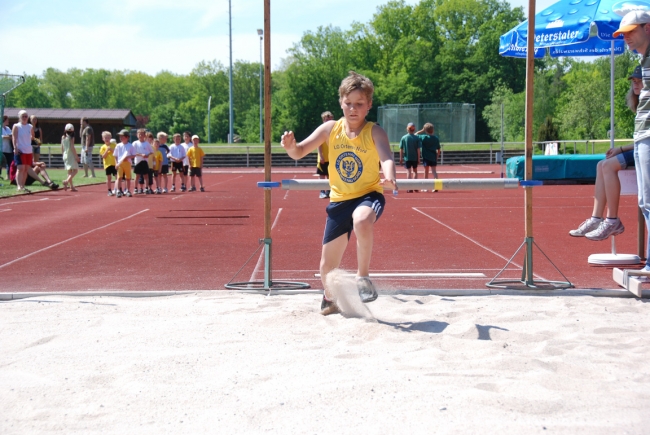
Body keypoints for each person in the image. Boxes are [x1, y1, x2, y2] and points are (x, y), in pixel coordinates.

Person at [281, 71, 397, 315]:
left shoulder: (375, 131)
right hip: (339, 202)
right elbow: (300, 151)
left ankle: (362, 277)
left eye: (359, 104)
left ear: (369, 106)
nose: (353, 109)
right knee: (326, 267)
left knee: (362, 220)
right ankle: (329, 298)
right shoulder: (330, 129)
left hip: (368, 195)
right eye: (348, 103)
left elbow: (386, 156)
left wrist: (389, 176)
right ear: (340, 103)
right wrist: (291, 147)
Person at [570, 66, 642, 240]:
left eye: (639, 80)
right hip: (641, 147)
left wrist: (622, 148)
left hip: (645, 151)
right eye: (633, 81)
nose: (635, 84)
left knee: (609, 166)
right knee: (601, 164)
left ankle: (612, 220)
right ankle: (596, 217)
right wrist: (621, 148)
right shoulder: (641, 105)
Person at [614, 11, 650, 272]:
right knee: (644, 202)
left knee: (648, 201)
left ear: (647, 28)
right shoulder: (643, 58)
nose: (625, 37)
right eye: (622, 33)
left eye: (630, 31)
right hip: (641, 136)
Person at [12, 109, 39, 192]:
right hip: (20, 149)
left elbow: (32, 136)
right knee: (20, 168)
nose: (24, 118)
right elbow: (14, 137)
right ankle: (19, 186)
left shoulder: (30, 127)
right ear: (19, 117)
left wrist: (35, 139)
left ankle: (23, 186)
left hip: (28, 150)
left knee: (26, 169)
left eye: (26, 116)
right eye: (23, 116)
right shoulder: (16, 126)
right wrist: (15, 147)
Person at [416, 123, 441, 191]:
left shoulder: (424, 137)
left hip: (426, 157)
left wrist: (422, 130)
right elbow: (438, 149)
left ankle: (425, 187)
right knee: (434, 171)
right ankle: (437, 186)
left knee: (426, 172)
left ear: (425, 130)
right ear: (433, 130)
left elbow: (415, 135)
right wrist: (437, 156)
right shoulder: (436, 138)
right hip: (433, 157)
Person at [399, 122, 421, 192]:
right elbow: (418, 149)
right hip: (414, 157)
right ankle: (415, 186)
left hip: (407, 157)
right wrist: (418, 158)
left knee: (408, 171)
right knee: (415, 171)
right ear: (414, 129)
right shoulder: (416, 138)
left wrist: (401, 158)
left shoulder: (404, 137)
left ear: (407, 129)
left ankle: (409, 187)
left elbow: (401, 149)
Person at [113, 129, 135, 198]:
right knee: (119, 177)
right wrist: (116, 163)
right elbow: (115, 155)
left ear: (127, 137)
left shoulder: (130, 146)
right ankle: (119, 190)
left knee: (128, 178)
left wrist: (128, 157)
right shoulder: (118, 145)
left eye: (123, 136)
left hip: (127, 163)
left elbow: (134, 155)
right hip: (120, 164)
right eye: (120, 136)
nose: (121, 138)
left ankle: (128, 190)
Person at [317, 111, 334, 198]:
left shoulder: (334, 130)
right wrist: (321, 156)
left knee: (330, 174)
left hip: (331, 157)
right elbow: (319, 144)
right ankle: (321, 191)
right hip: (323, 156)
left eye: (330, 119)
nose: (328, 121)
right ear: (323, 120)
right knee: (322, 174)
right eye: (326, 119)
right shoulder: (322, 130)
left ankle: (328, 190)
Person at [132, 128, 153, 194]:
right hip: (138, 161)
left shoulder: (147, 144)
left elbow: (151, 152)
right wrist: (141, 155)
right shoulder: (135, 143)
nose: (140, 136)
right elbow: (133, 152)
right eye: (139, 134)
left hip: (144, 161)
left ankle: (146, 188)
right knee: (137, 176)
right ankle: (135, 188)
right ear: (137, 135)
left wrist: (147, 155)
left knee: (146, 175)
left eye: (142, 134)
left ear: (145, 136)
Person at [61, 123, 79, 192]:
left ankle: (71, 186)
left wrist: (63, 154)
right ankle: (66, 181)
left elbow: (62, 147)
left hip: (65, 155)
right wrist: (76, 156)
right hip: (70, 155)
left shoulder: (63, 137)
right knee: (75, 170)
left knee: (69, 171)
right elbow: (72, 147)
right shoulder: (71, 138)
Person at [99, 132, 117, 196]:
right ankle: (109, 190)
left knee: (117, 177)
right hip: (107, 164)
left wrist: (111, 149)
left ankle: (117, 189)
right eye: (105, 138)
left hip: (114, 164)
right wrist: (107, 150)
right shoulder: (103, 147)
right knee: (109, 177)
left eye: (108, 138)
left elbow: (116, 153)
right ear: (103, 139)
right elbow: (103, 156)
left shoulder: (114, 145)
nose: (107, 139)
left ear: (110, 138)